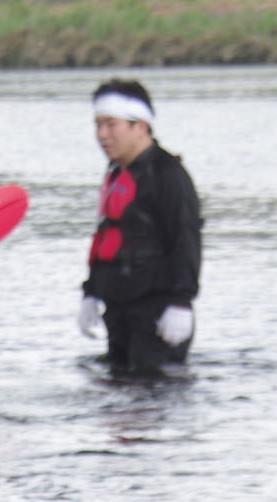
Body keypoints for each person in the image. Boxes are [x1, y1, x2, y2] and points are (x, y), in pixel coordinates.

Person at [78, 80, 202, 374]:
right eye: (98, 125)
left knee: (151, 401)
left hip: (158, 314)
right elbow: (106, 238)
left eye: (111, 125)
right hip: (119, 310)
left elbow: (186, 241)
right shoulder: (116, 175)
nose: (102, 135)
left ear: (140, 126)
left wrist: (182, 303)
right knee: (117, 398)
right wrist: (91, 293)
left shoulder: (168, 175)